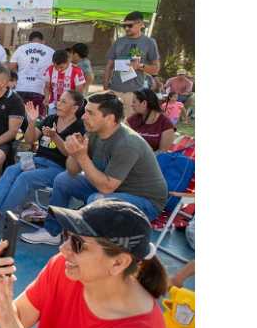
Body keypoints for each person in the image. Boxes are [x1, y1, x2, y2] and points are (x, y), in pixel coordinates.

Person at [0, 199, 168, 328]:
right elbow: (15, 320)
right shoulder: (63, 268)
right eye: (67, 235)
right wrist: (2, 289)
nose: (63, 248)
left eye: (78, 244)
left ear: (118, 262)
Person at [23, 91, 168, 245]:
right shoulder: (94, 133)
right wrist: (74, 153)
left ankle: (89, 243)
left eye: (90, 113)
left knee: (97, 200)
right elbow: (72, 171)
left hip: (145, 201)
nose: (84, 117)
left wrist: (83, 157)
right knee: (63, 180)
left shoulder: (127, 144)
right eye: (85, 111)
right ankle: (52, 232)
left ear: (110, 118)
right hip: (114, 190)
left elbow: (106, 188)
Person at [0, 91, 86, 222]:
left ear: (75, 108)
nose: (58, 104)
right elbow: (29, 140)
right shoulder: (50, 119)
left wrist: (54, 136)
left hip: (58, 168)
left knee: (25, 178)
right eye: (59, 100)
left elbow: (69, 153)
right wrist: (31, 122)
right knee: (11, 170)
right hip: (37, 160)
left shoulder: (79, 127)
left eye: (63, 102)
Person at [104, 11, 161, 118]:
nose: (126, 29)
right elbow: (109, 65)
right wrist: (106, 86)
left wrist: (140, 66)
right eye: (124, 26)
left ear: (140, 24)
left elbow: (156, 69)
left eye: (129, 25)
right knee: (109, 124)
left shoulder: (149, 42)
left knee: (130, 126)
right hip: (114, 90)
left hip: (134, 93)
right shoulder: (119, 41)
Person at [9, 31, 54, 116]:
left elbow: (11, 67)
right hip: (39, 89)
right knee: (35, 117)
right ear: (43, 41)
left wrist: (18, 73)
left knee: (18, 116)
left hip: (21, 87)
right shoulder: (50, 51)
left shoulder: (21, 49)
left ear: (29, 41)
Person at [127, 88, 175, 153]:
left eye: (134, 102)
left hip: (153, 161)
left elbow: (162, 152)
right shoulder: (133, 119)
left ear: (144, 103)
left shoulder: (165, 124)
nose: (132, 105)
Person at [44, 50, 85, 116]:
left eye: (61, 67)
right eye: (56, 67)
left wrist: (73, 105)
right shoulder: (50, 70)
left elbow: (79, 92)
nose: (58, 70)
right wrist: (46, 98)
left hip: (69, 106)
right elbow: (47, 87)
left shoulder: (77, 71)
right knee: (51, 124)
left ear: (68, 62)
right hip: (53, 105)